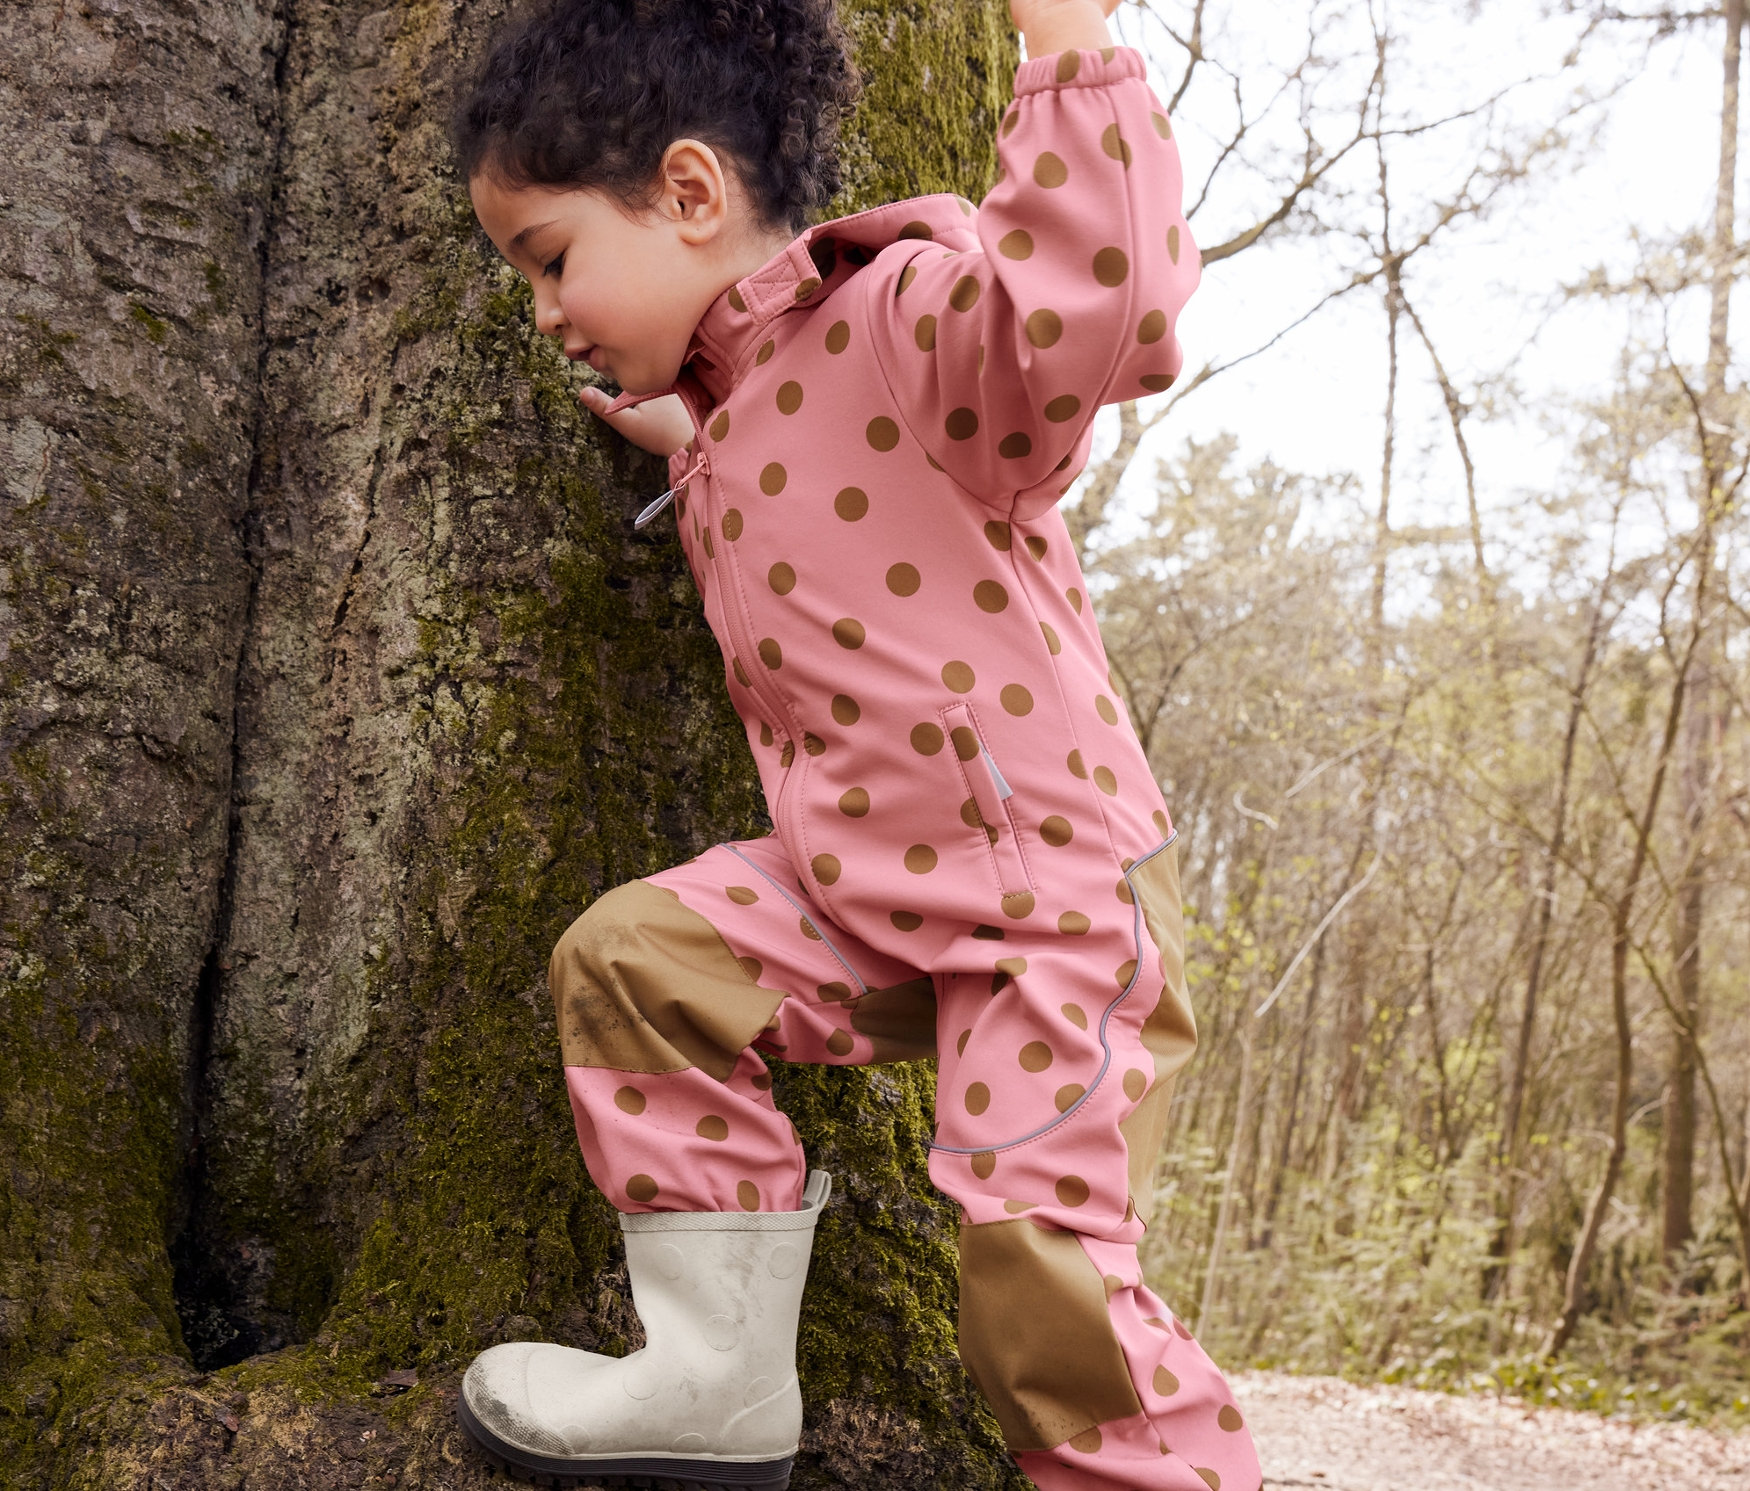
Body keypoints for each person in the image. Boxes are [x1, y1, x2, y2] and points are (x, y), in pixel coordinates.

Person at [451, 0, 1263, 1485]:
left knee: (1043, 1281)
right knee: (634, 962)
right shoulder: (736, 413)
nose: (547, 312)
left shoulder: (904, 323)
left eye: (554, 259)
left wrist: (1067, 45)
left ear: (689, 194)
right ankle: (714, 1378)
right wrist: (699, 450)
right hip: (868, 901)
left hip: (1051, 919)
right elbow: (793, 464)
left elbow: (1097, 316)